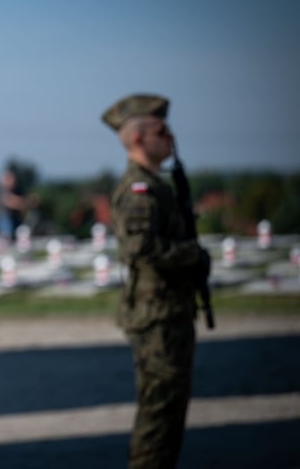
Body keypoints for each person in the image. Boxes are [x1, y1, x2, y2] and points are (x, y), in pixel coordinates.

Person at [101, 94, 211, 468]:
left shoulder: (156, 185)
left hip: (169, 311)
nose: (171, 137)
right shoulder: (139, 190)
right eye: (162, 130)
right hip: (157, 315)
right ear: (138, 138)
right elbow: (140, 249)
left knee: (169, 414)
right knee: (158, 418)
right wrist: (193, 255)